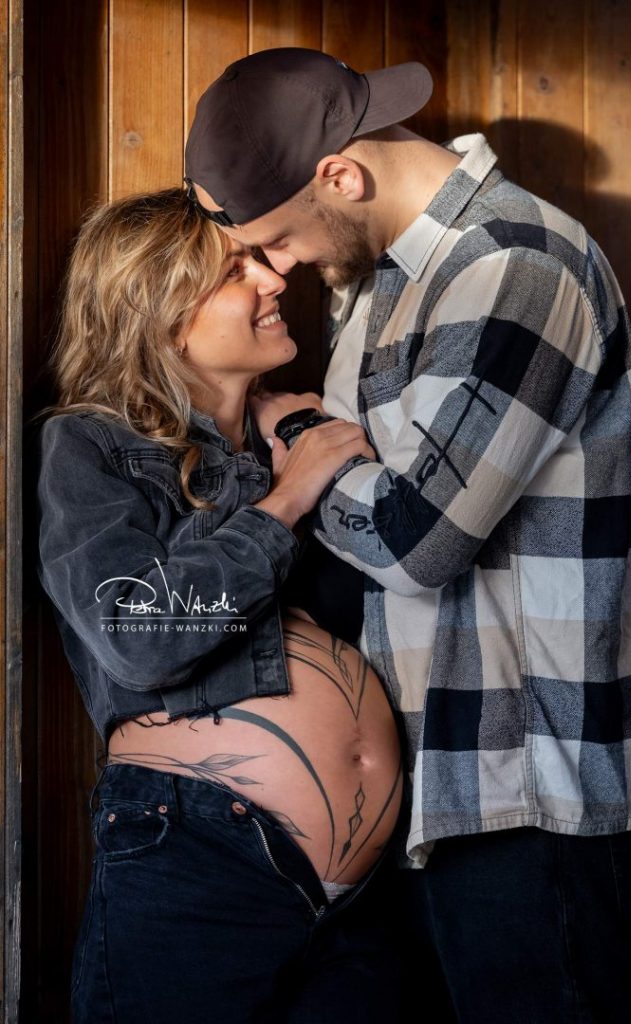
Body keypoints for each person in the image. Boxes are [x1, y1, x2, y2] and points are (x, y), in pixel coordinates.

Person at [184, 47, 631, 1023]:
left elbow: (416, 541)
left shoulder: (514, 266)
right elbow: (365, 504)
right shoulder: (385, 275)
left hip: (530, 790)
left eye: (278, 239)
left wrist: (298, 437)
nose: (280, 269)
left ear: (340, 176)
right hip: (431, 784)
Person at [34, 188, 405, 1024]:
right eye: (235, 271)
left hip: (355, 899)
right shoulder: (91, 446)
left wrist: (292, 456)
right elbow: (143, 636)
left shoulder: (292, 443)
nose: (274, 279)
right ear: (164, 313)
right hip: (199, 857)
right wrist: (286, 499)